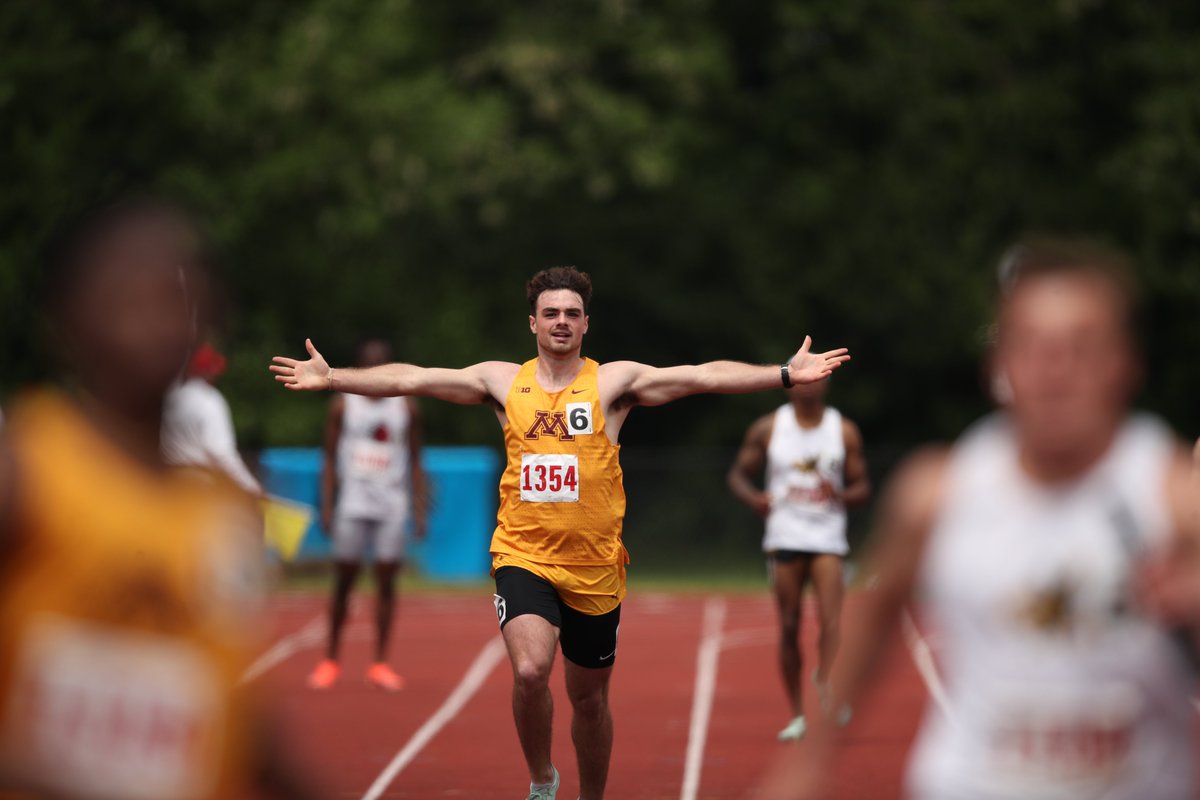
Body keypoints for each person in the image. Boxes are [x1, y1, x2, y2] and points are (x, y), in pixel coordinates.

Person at [270, 266, 850, 800]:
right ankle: (543, 780)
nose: (562, 322)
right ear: (533, 323)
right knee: (529, 671)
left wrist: (781, 374)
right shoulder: (501, 382)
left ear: (586, 323)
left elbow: (700, 377)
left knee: (589, 700)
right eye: (551, 313)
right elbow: (414, 379)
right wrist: (335, 379)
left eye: (572, 313)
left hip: (595, 565)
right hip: (522, 552)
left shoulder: (612, 383)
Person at [761, 238, 1200, 800]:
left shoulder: (1176, 498)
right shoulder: (937, 494)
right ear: (1000, 363)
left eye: (1082, 348)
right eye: (1034, 348)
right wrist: (805, 765)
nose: (1056, 372)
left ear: (1127, 363)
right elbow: (869, 624)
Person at [0, 197, 317, 799]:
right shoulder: (25, 467)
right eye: (129, 301)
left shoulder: (226, 509)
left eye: (179, 300)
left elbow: (229, 707)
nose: (159, 324)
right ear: (67, 320)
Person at [727, 378, 869, 741]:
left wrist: (839, 493)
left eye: (816, 381)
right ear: (789, 385)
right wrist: (754, 498)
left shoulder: (844, 430)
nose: (807, 387)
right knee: (789, 624)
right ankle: (797, 713)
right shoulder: (769, 427)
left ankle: (824, 678)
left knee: (832, 621)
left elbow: (862, 486)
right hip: (785, 534)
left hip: (827, 537)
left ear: (827, 385)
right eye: (802, 380)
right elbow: (737, 476)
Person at [308, 338, 428, 691]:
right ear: (360, 368)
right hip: (354, 501)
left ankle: (379, 662)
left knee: (387, 582)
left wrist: (419, 509)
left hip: (392, 502)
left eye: (381, 364)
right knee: (344, 580)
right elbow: (329, 458)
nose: (375, 370)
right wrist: (327, 504)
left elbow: (417, 461)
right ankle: (330, 659)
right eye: (369, 364)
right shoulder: (343, 405)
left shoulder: (406, 409)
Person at [162, 341, 263, 495]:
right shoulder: (209, 400)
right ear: (208, 371)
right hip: (197, 489)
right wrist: (251, 487)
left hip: (164, 484)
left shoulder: (167, 396)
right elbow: (221, 454)